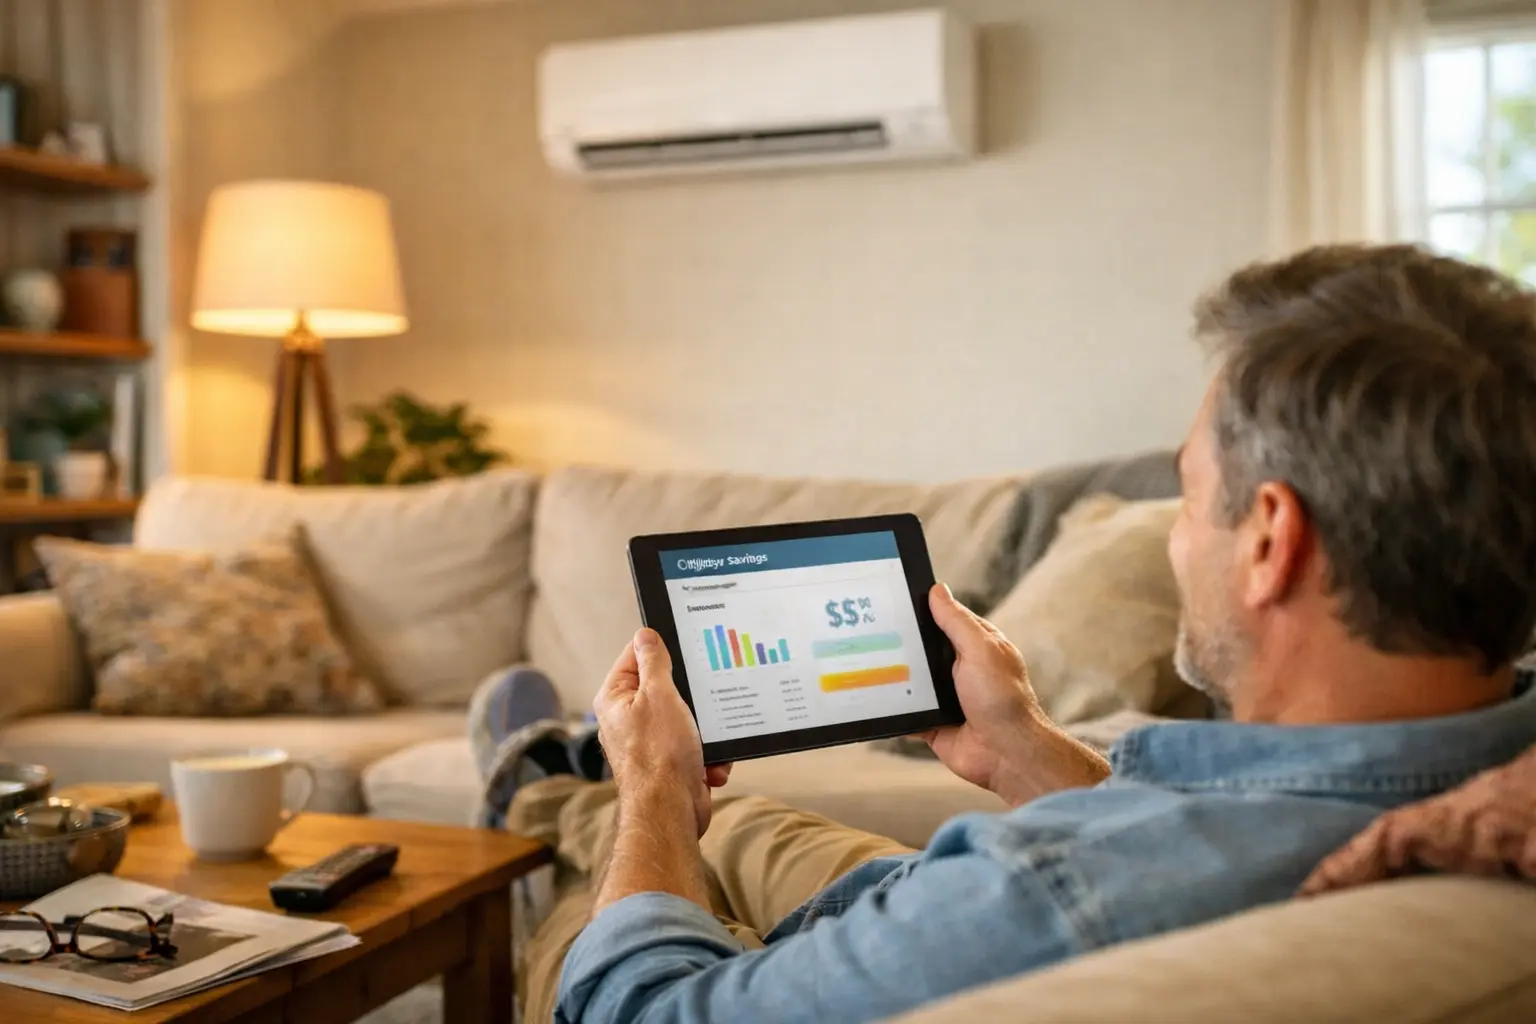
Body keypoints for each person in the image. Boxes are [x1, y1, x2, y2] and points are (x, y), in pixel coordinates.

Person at [478, 244, 1536, 1024]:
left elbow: (632, 1007)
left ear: (1270, 541)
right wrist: (1025, 746)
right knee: (759, 825)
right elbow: (1201, 833)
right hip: (923, 900)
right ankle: (567, 787)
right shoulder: (1487, 770)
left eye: (1186, 494)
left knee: (618, 880)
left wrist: (660, 795)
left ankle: (556, 798)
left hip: (809, 966)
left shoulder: (1059, 898)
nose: (1180, 539)